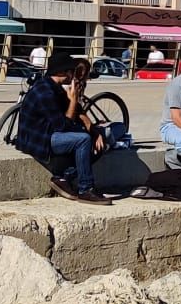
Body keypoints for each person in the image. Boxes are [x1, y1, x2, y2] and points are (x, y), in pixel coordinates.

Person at [14, 52, 113, 203]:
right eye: (71, 71)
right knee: (83, 140)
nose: (74, 76)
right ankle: (85, 189)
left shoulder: (54, 86)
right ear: (61, 72)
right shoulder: (44, 92)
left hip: (49, 134)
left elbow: (77, 112)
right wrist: (73, 100)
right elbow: (62, 127)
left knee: (98, 141)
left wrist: (94, 131)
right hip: (39, 140)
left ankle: (63, 177)